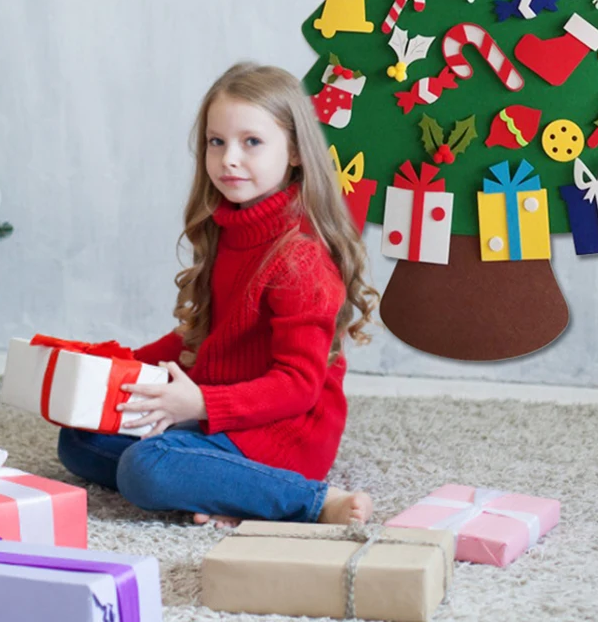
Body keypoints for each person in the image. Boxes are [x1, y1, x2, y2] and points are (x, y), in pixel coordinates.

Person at [57, 62, 379, 526]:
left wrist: (203, 405)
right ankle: (221, 488)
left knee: (145, 468)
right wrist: (114, 368)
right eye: (217, 141)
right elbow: (203, 340)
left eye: (251, 142)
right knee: (80, 439)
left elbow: (299, 386)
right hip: (224, 411)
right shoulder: (228, 230)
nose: (229, 158)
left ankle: (311, 501)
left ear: (293, 151)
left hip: (284, 432)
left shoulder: (298, 258)